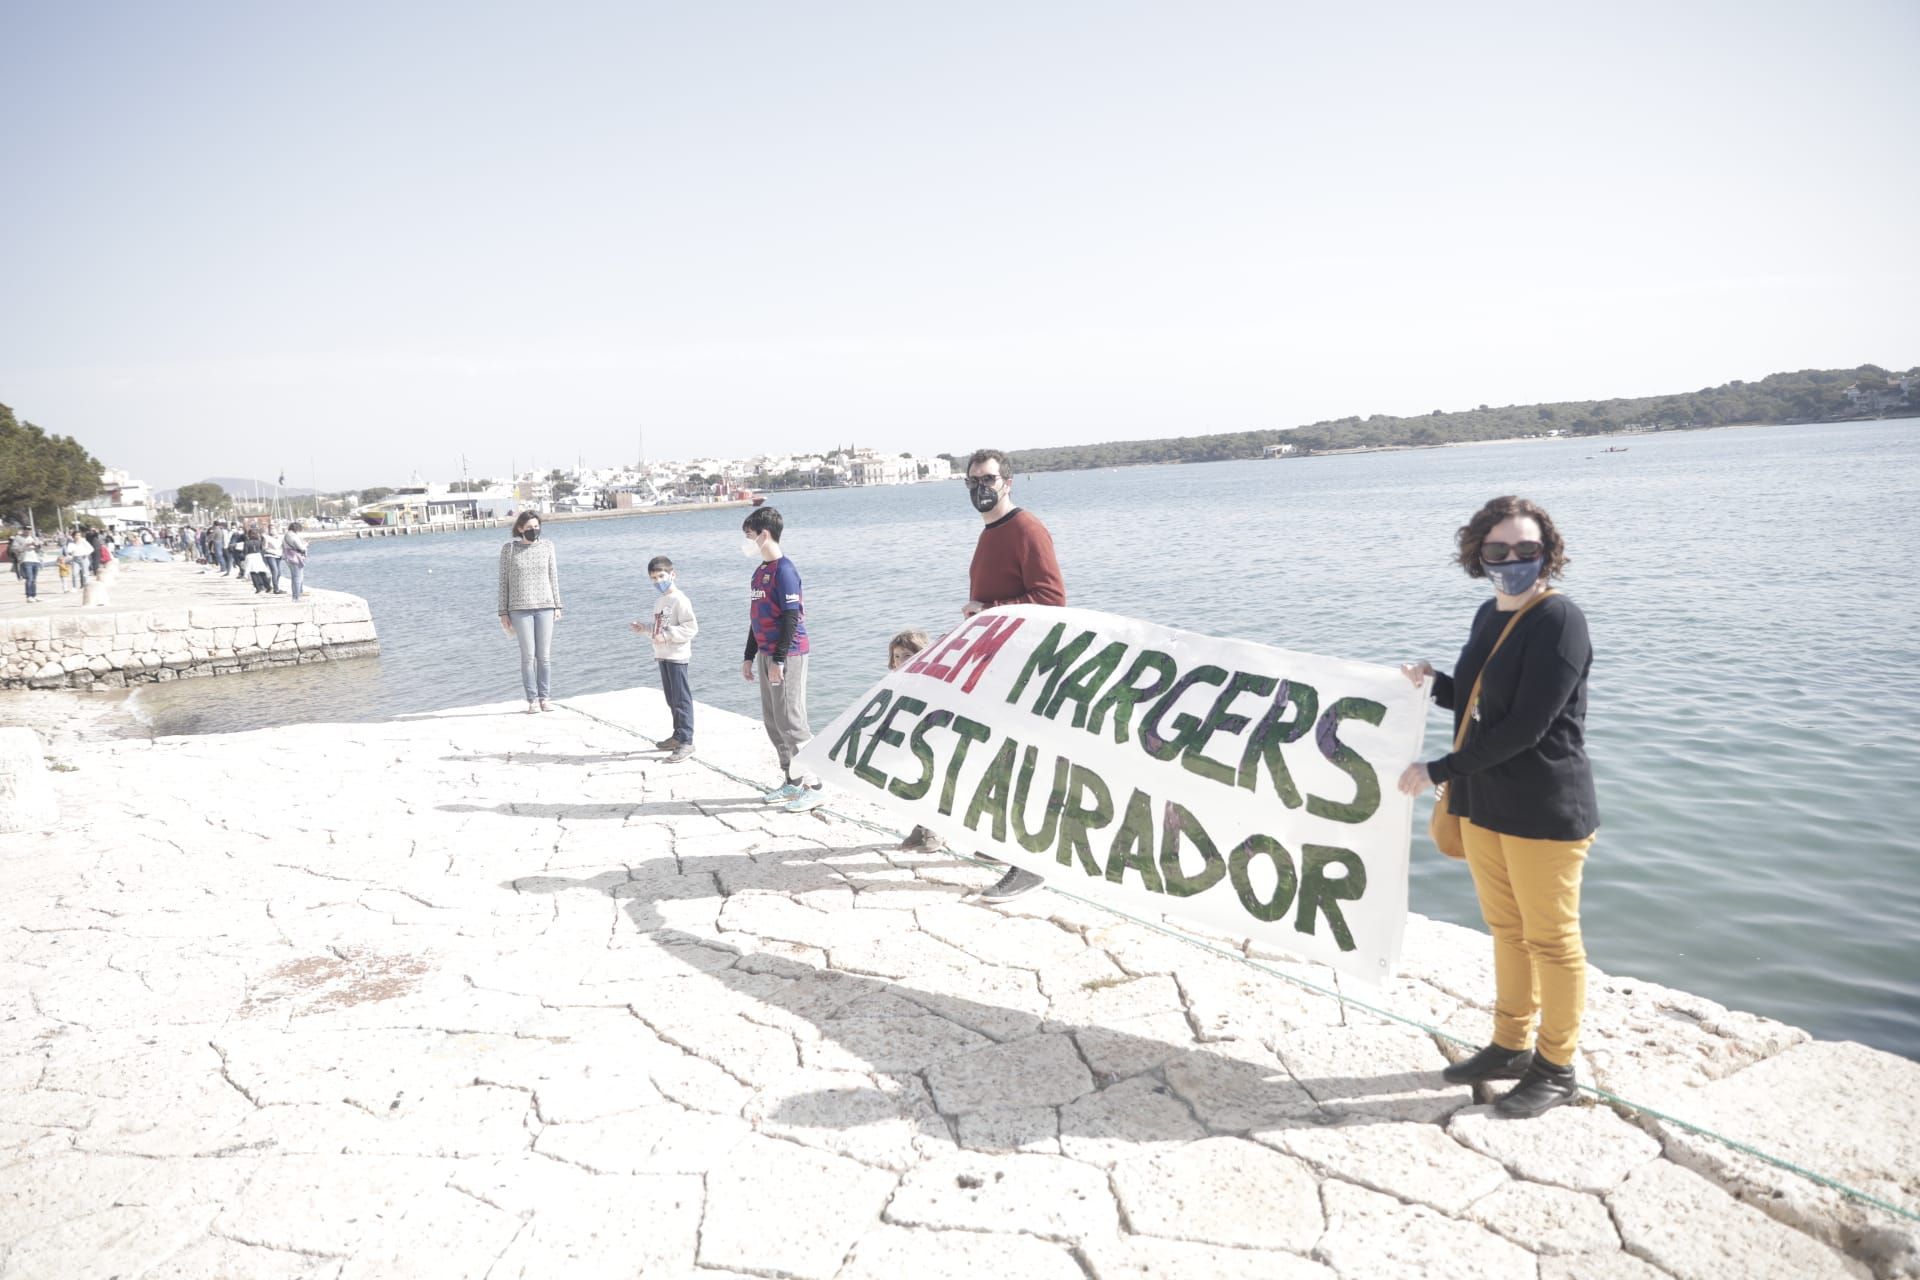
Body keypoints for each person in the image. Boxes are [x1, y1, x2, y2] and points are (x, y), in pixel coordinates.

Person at [1397, 495, 1599, 1120]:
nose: (1512, 560)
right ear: (1478, 555)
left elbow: (1528, 727)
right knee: (1508, 932)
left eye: (1526, 550)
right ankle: (1510, 1045)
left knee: (1554, 941)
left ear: (1548, 553)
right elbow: (1482, 707)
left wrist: (1437, 770)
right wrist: (1433, 687)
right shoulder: (1490, 614)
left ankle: (1556, 1066)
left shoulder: (1559, 620)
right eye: (1498, 550)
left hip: (1543, 809)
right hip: (1486, 804)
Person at [961, 447, 1068, 901]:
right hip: (996, 665)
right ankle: (999, 839)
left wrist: (989, 611)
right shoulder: (991, 533)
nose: (980, 488)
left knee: (1019, 759)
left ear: (1007, 481)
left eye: (987, 479)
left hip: (1025, 666)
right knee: (993, 753)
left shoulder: (1026, 529)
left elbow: (1052, 598)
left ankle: (1029, 865)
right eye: (972, 482)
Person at [739, 506, 823, 813]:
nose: (746, 541)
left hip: (788, 653)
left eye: (749, 535)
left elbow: (790, 617)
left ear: (764, 534)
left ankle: (815, 786)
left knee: (792, 721)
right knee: (773, 721)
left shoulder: (785, 570)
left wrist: (779, 658)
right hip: (764, 653)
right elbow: (756, 617)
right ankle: (792, 779)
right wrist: (749, 656)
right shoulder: (760, 572)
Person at [632, 554, 698, 762]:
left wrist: (667, 635)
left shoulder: (680, 599)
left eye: (661, 576)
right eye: (654, 578)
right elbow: (660, 628)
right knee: (671, 699)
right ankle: (678, 736)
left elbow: (690, 628)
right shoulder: (660, 601)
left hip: (677, 656)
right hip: (663, 656)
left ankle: (687, 741)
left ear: (672, 574)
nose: (658, 581)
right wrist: (645, 629)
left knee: (681, 700)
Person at [498, 510, 562, 712]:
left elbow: (553, 577)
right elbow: (503, 583)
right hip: (519, 609)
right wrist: (503, 612)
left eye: (536, 527)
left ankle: (545, 698)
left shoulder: (548, 547)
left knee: (544, 656)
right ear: (519, 529)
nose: (534, 531)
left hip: (545, 606)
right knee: (528, 656)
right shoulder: (509, 550)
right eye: (529, 528)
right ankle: (532, 700)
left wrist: (558, 605)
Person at [888, 628, 946, 853]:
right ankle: (921, 825)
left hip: (931, 741)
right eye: (897, 656)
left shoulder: (931, 681)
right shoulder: (897, 681)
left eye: (908, 656)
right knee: (912, 782)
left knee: (931, 783)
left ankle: (933, 829)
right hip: (910, 742)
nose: (901, 661)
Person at [282, 522, 311, 601]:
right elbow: (301, 548)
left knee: (294, 577)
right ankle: (296, 597)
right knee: (298, 577)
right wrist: (306, 545)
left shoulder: (286, 535)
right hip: (295, 558)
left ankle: (295, 596)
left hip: (288, 557)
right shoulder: (293, 536)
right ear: (297, 529)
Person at [241, 528, 271, 593]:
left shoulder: (247, 542)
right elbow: (261, 549)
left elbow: (245, 551)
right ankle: (268, 586)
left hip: (250, 556)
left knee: (253, 572)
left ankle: (258, 588)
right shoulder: (259, 541)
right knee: (262, 572)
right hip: (258, 556)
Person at [260, 521, 285, 592]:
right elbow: (264, 548)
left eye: (273, 528)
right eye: (270, 528)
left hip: (278, 556)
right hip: (270, 555)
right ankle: (276, 589)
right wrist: (270, 548)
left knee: (279, 573)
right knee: (275, 571)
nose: (272, 530)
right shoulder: (266, 537)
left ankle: (275, 585)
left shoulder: (280, 537)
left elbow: (283, 546)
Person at [15, 535, 40, 599]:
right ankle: (29, 596)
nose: (28, 531)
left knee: (34, 580)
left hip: (35, 560)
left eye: (29, 530)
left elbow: (38, 549)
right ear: (23, 530)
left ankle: (34, 595)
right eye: (26, 529)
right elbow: (16, 549)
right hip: (26, 560)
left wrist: (37, 545)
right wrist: (26, 544)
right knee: (29, 579)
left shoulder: (34, 538)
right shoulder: (19, 538)